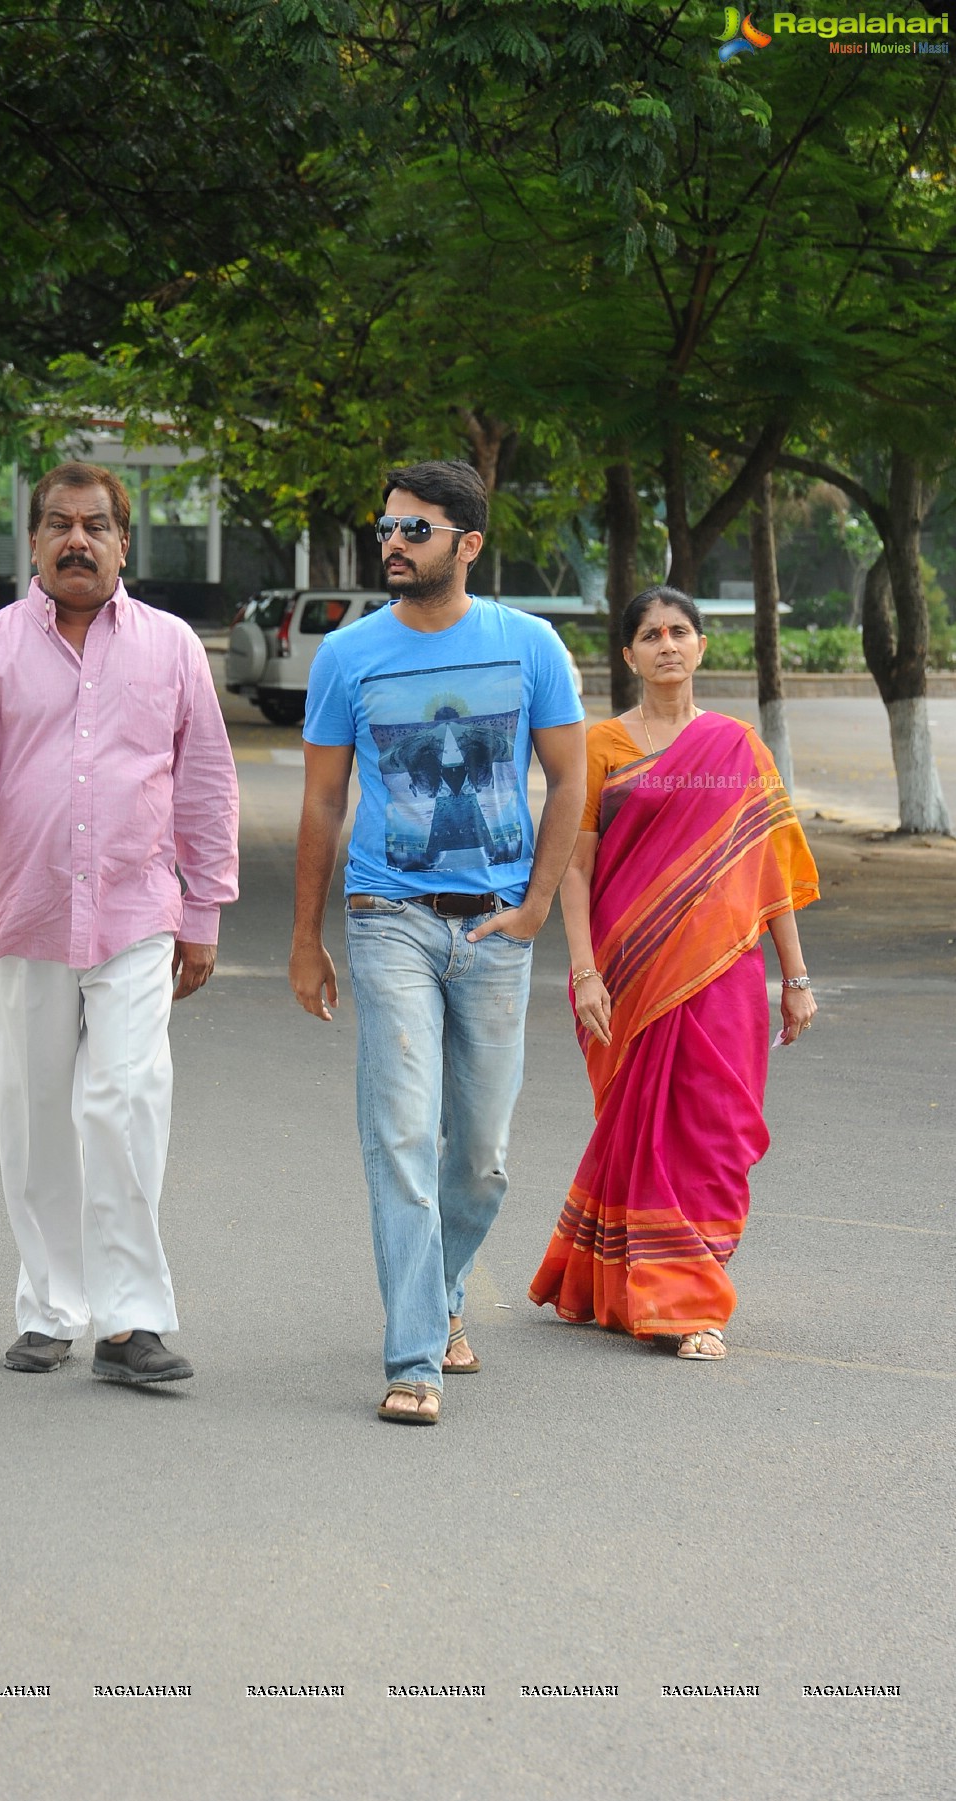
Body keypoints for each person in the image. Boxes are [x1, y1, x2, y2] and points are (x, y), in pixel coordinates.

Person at [0, 461, 239, 1385]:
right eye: (59, 524)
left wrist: (202, 908)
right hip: (27, 915)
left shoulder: (171, 648)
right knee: (36, 1116)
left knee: (125, 1104)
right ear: (35, 543)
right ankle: (51, 1306)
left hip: (137, 915)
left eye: (95, 525)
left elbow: (204, 782)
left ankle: (129, 1324)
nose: (77, 540)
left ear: (125, 543)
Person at [290, 460, 586, 1423]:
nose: (392, 544)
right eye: (386, 527)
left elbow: (569, 782)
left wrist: (539, 905)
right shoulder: (347, 654)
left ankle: (444, 1294)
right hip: (389, 920)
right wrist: (305, 935)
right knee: (402, 1136)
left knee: (480, 1156)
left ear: (468, 543)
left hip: (499, 927)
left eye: (414, 530)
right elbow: (324, 800)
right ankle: (414, 1355)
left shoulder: (529, 645)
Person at [529, 586, 819, 1360]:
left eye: (679, 631)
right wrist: (584, 970)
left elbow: (771, 870)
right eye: (650, 634)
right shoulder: (600, 746)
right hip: (626, 968)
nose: (666, 644)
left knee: (714, 1130)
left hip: (725, 973)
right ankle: (684, 1303)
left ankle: (666, 1278)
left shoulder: (736, 746)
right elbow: (573, 867)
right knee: (642, 1126)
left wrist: (793, 976)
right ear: (627, 655)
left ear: (699, 647)